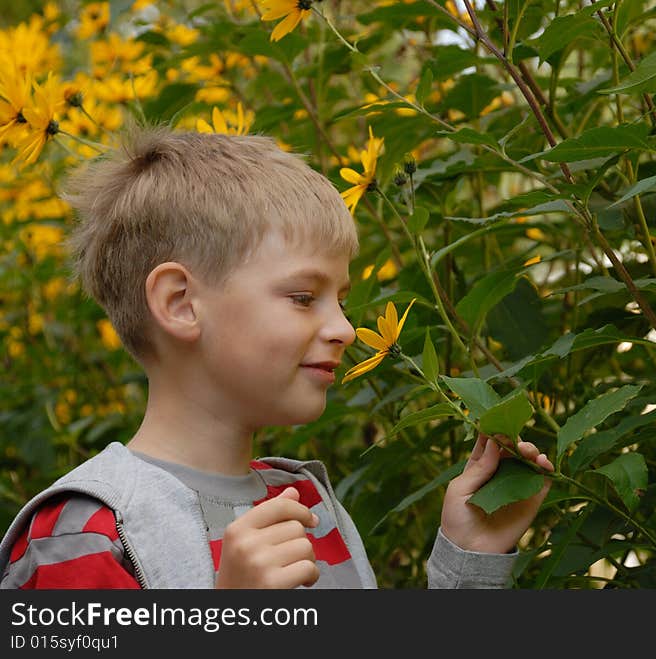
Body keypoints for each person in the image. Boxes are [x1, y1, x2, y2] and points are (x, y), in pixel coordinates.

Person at [0, 125, 553, 589]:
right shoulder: (84, 531)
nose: (343, 328)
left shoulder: (309, 501)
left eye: (342, 300)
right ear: (181, 303)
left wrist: (468, 559)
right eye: (303, 297)